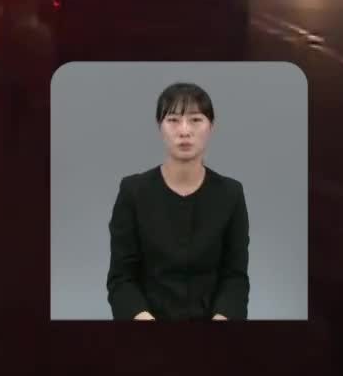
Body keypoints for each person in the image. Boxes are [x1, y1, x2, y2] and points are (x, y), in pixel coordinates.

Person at [107, 82, 250, 321]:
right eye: (173, 120)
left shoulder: (231, 193)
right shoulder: (133, 191)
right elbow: (121, 278)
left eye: (195, 119)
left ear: (211, 126)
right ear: (159, 127)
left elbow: (235, 277)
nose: (184, 131)